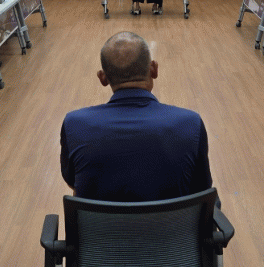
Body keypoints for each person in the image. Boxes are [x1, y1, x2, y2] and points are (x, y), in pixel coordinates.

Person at [60, 32, 213, 202]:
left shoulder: (75, 125)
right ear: (153, 69)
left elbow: (72, 180)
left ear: (103, 78)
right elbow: (202, 190)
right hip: (172, 221)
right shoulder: (190, 124)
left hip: (98, 221)